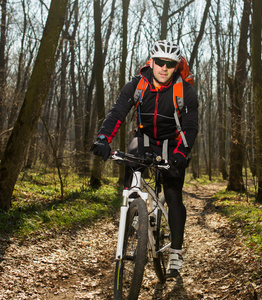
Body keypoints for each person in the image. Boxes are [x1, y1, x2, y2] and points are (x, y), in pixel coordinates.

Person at [92, 40, 198, 277]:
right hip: (145, 138)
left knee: (172, 194)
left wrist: (181, 155)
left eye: (170, 64)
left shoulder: (186, 92)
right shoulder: (137, 85)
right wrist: (102, 138)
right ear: (151, 61)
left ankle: (176, 254)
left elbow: (191, 128)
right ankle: (134, 210)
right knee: (132, 155)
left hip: (173, 145)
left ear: (176, 66)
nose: (163, 68)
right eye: (159, 62)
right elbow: (118, 112)